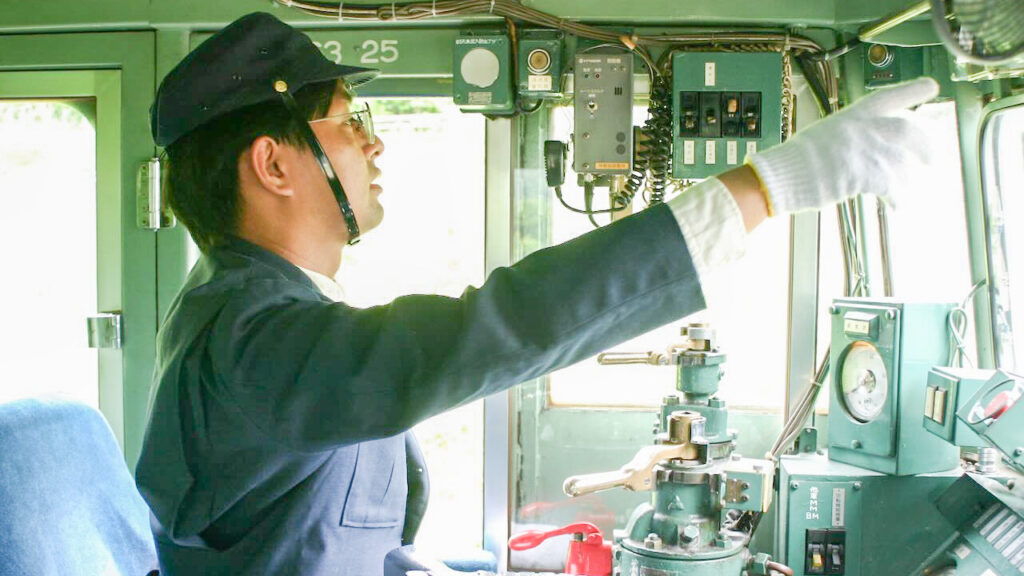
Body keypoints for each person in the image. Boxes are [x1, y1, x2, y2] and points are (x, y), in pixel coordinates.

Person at [135, 11, 939, 576]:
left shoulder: (266, 312)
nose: (374, 140)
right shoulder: (247, 340)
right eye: (351, 121)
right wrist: (768, 186)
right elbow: (494, 330)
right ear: (274, 165)